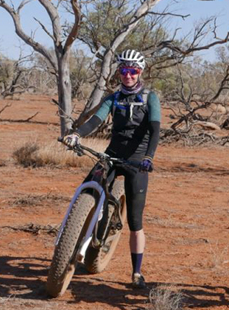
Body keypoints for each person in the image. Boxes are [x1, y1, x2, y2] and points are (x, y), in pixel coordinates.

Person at [63, 49, 161, 289]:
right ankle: (75, 239)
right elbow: (96, 121)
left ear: (141, 72)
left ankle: (136, 273)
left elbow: (155, 129)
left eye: (133, 71)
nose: (128, 75)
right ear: (119, 72)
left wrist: (149, 156)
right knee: (87, 191)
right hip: (112, 153)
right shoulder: (112, 98)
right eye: (124, 71)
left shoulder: (150, 98)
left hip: (137, 160)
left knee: (136, 222)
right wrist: (76, 134)